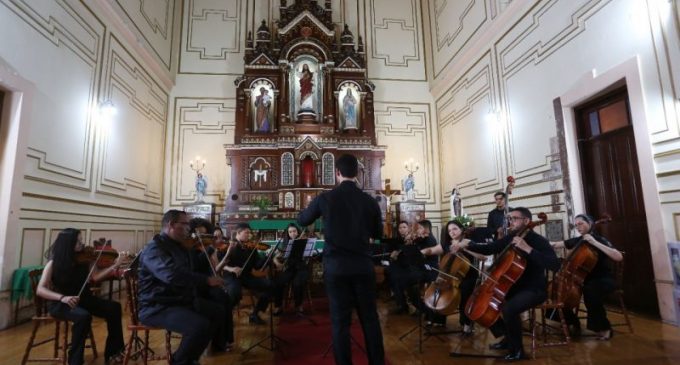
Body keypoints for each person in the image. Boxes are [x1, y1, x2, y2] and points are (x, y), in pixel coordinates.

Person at [297, 153, 385, 365]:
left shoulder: (325, 198)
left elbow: (302, 220)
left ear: (337, 173)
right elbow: (379, 234)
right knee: (370, 320)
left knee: (340, 323)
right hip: (363, 267)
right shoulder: (369, 201)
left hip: (336, 268)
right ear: (357, 173)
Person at [451, 207, 560, 361]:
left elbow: (554, 264)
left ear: (526, 221)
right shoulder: (511, 238)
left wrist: (528, 249)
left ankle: (518, 351)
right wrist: (466, 245)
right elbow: (490, 248)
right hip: (513, 287)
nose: (510, 222)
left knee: (509, 308)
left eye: (514, 218)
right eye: (510, 219)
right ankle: (508, 339)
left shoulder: (538, 241)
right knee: (487, 304)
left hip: (534, 289)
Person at [137, 210, 225, 365]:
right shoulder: (154, 249)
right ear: (171, 224)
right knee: (199, 326)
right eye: (185, 224)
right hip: (157, 306)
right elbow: (171, 275)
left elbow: (190, 270)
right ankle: (179, 361)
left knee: (217, 312)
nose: (188, 229)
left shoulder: (179, 246)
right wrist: (206, 281)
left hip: (177, 300)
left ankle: (190, 358)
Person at [36, 228, 125, 365]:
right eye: (78, 241)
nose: (82, 244)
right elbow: (40, 289)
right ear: (68, 244)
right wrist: (62, 298)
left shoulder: (85, 259)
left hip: (84, 299)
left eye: (81, 240)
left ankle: (114, 352)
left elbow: (95, 277)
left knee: (114, 307)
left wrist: (116, 265)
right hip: (61, 303)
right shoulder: (53, 264)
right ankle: (75, 360)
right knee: (83, 317)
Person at [550, 214, 623, 340]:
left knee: (590, 291)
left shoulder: (599, 239)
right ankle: (572, 322)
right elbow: (556, 244)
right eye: (576, 224)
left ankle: (604, 328)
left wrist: (594, 242)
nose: (578, 227)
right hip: (582, 279)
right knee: (556, 291)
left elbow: (618, 256)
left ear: (590, 223)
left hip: (602, 278)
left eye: (581, 223)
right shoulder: (579, 240)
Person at [421, 219, 486, 336]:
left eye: (455, 229)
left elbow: (482, 257)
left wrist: (465, 248)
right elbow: (432, 250)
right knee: (438, 291)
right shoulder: (447, 244)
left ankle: (467, 324)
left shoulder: (467, 241)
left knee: (465, 294)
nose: (452, 232)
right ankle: (438, 320)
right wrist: (423, 251)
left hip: (468, 276)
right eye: (449, 230)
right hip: (450, 277)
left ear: (461, 229)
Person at [188, 218, 234, 352]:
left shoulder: (205, 248)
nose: (201, 238)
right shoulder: (189, 248)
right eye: (198, 235)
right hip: (196, 286)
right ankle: (218, 341)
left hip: (207, 284)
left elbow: (212, 269)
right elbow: (195, 265)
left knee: (225, 298)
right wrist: (209, 249)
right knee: (219, 300)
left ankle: (225, 339)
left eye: (204, 234)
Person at [216, 222, 276, 325]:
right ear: (238, 233)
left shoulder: (250, 247)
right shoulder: (228, 246)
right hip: (231, 276)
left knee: (269, 285)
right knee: (235, 292)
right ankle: (225, 315)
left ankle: (255, 314)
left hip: (247, 276)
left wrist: (267, 256)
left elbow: (257, 266)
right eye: (246, 233)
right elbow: (219, 264)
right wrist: (231, 269)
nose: (249, 235)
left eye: (249, 233)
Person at [272, 223, 310, 315]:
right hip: (290, 269)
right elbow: (276, 256)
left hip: (301, 268)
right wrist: (276, 262)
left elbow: (308, 256)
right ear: (288, 234)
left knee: (297, 283)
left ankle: (298, 305)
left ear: (297, 232)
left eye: (294, 231)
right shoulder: (286, 244)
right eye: (290, 232)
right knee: (278, 282)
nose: (292, 233)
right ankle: (278, 306)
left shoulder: (304, 242)